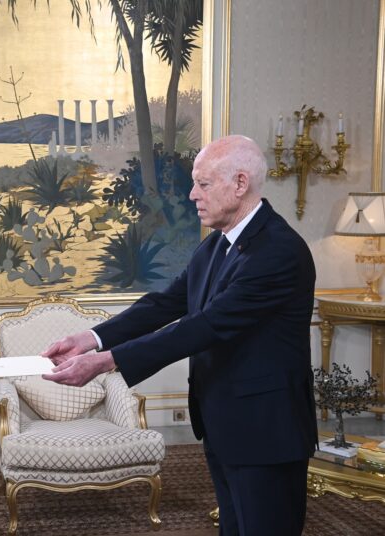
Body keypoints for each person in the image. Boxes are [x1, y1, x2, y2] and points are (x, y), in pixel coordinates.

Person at [42, 135, 317, 536]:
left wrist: (105, 362)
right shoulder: (216, 245)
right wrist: (91, 338)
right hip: (225, 422)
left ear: (240, 184)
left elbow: (205, 326)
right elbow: (165, 303)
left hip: (266, 430)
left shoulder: (278, 251)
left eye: (203, 184)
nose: (192, 195)